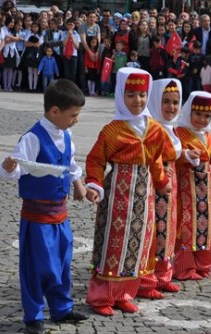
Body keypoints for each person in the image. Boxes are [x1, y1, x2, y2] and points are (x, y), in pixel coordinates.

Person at [0, 79, 89, 334]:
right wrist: (10, 167)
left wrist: (79, 184)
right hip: (37, 217)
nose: (76, 120)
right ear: (54, 111)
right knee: (38, 266)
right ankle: (34, 316)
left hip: (61, 215)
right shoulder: (33, 138)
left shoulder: (67, 135)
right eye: (73, 115)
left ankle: (62, 309)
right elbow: (17, 166)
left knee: (62, 263)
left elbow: (70, 164)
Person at [85, 68, 171, 316]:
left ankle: (124, 293)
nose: (138, 101)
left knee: (138, 245)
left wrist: (162, 180)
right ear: (121, 95)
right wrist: (95, 184)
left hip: (144, 195)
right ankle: (102, 296)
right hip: (117, 194)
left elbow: (156, 159)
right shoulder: (112, 130)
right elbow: (95, 160)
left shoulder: (154, 128)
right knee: (113, 244)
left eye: (143, 95)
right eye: (131, 94)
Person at [173, 91, 211, 280]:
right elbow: (172, 155)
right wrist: (184, 155)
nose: (202, 119)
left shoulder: (208, 136)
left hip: (205, 190)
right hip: (186, 188)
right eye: (198, 114)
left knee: (204, 225)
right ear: (189, 112)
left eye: (207, 115)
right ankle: (184, 266)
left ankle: (202, 262)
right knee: (187, 226)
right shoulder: (179, 133)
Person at [140, 78, 184, 297]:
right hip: (155, 184)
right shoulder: (151, 127)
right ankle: (148, 277)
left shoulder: (171, 128)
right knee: (155, 229)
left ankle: (164, 274)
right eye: (165, 101)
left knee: (168, 229)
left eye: (175, 102)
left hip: (170, 182)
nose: (171, 107)